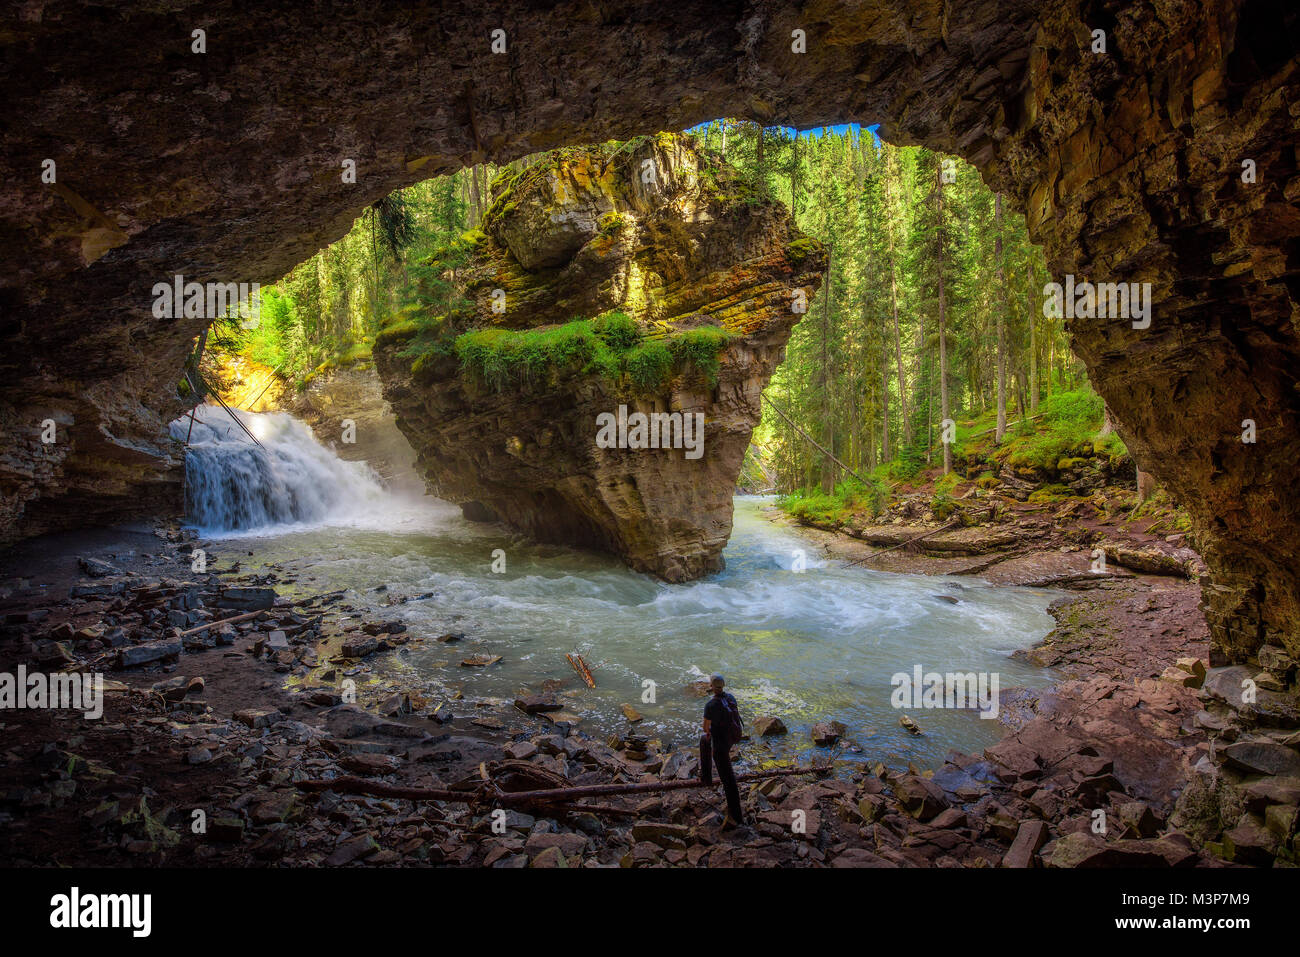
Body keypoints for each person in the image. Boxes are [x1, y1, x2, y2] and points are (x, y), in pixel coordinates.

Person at [701, 673, 745, 829]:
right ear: (724, 685)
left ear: (711, 687)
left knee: (728, 780)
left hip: (720, 745)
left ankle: (736, 816)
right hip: (731, 739)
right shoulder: (731, 698)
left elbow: (705, 728)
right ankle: (706, 778)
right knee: (728, 776)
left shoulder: (711, 705)